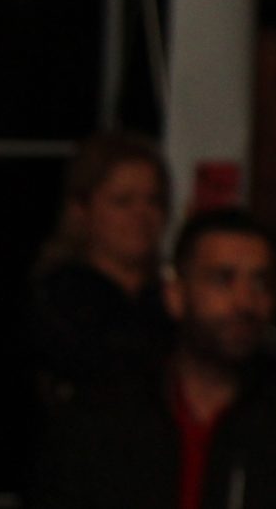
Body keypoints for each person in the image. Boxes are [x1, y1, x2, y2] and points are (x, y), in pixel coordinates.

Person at [31, 210, 276, 509]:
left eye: (260, 283)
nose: (245, 302)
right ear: (176, 296)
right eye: (223, 279)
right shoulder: (105, 417)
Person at [29, 131, 173, 402]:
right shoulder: (58, 299)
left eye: (153, 200)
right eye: (123, 201)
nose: (142, 214)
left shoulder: (171, 298)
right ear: (81, 210)